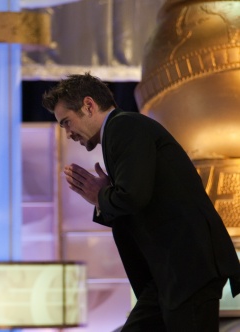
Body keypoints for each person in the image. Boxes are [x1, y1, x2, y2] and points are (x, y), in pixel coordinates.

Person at [42, 72, 240, 332]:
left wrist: (100, 195)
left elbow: (133, 197)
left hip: (187, 269)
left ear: (88, 105)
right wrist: (106, 194)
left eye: (67, 122)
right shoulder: (120, 130)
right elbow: (137, 199)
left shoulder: (123, 127)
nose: (68, 134)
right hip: (169, 275)